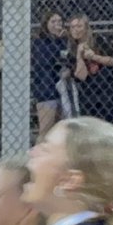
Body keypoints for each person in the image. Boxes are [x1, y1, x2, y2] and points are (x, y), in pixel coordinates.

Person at [33, 11, 68, 142]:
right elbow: (48, 60)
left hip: (63, 90)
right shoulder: (40, 42)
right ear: (46, 24)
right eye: (53, 22)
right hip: (47, 89)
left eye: (59, 21)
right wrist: (58, 41)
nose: (57, 25)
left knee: (61, 131)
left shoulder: (64, 40)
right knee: (45, 131)